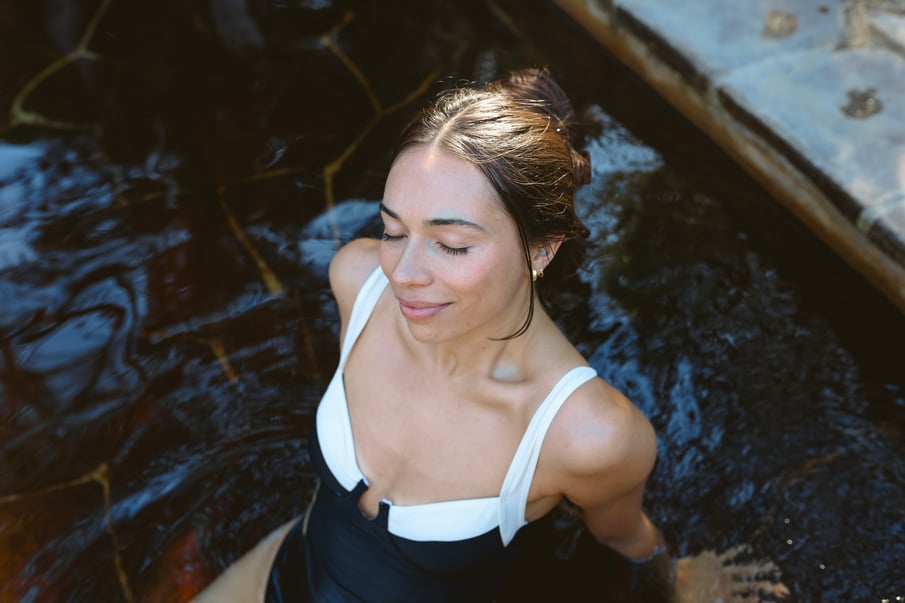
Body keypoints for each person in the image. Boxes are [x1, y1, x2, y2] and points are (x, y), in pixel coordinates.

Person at [192, 68, 787, 602]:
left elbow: (624, 536)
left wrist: (678, 581)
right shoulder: (358, 280)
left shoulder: (584, 434)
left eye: (451, 244)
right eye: (393, 229)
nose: (404, 272)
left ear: (540, 250)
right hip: (282, 574)